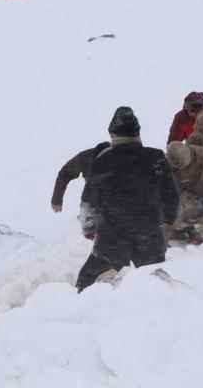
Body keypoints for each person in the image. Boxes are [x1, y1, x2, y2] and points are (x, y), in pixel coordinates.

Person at [76, 107, 179, 293]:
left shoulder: (102, 162)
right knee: (158, 282)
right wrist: (170, 217)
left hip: (112, 238)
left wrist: (88, 227)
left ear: (112, 135)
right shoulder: (155, 158)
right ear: (137, 133)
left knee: (86, 282)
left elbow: (89, 200)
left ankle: (87, 314)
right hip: (148, 234)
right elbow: (171, 192)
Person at [49, 142, 111, 213]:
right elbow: (65, 173)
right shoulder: (86, 157)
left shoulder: (123, 156)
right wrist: (56, 200)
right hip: (92, 205)